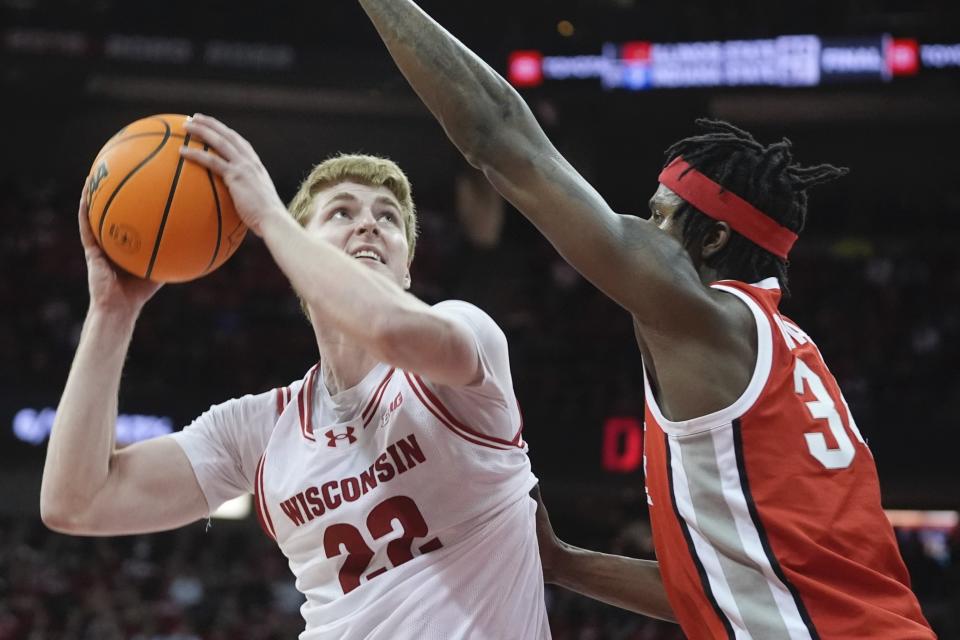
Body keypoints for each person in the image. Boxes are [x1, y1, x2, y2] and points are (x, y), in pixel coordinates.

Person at [354, 1, 938, 638]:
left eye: (660, 218)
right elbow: (723, 592)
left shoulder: (708, 319)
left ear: (712, 241)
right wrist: (561, 562)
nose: (638, 233)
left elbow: (498, 139)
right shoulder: (793, 358)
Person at [40, 118, 550, 639]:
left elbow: (388, 328)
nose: (369, 224)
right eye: (342, 212)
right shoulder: (258, 430)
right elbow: (77, 502)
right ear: (298, 257)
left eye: (388, 218)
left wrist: (270, 217)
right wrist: (111, 313)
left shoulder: (467, 341)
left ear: (407, 268)